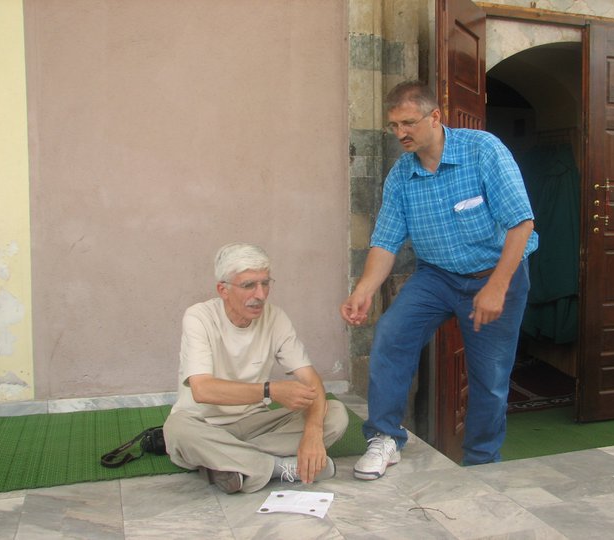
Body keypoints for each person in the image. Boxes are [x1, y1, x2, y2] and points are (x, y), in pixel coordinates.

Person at [340, 80, 538, 480]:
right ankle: (385, 438)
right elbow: (385, 240)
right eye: (394, 126)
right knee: (391, 335)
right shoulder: (401, 175)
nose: (401, 134)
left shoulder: (483, 151)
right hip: (436, 276)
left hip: (496, 274)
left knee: (490, 378)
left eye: (409, 123)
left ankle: (481, 464)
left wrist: (496, 287)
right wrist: (363, 289)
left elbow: (522, 223)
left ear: (435, 116)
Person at [164, 242, 349, 494]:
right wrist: (269, 391)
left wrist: (314, 431)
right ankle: (278, 467)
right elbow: (202, 390)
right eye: (249, 285)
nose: (260, 295)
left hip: (256, 423)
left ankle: (225, 462)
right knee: (177, 432)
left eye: (265, 283)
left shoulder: (276, 318)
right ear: (223, 290)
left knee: (335, 413)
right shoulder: (199, 317)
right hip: (203, 424)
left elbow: (309, 378)